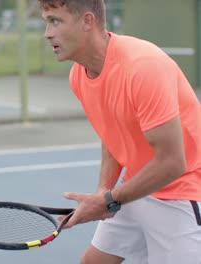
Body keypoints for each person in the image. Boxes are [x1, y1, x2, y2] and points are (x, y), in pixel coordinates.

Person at [39, 0, 201, 263]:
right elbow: (112, 136)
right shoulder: (79, 76)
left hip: (183, 191)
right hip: (139, 185)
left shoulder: (143, 67)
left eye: (55, 21)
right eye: (46, 21)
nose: (47, 33)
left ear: (87, 21)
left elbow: (173, 163)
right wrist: (104, 191)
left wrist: (108, 201)